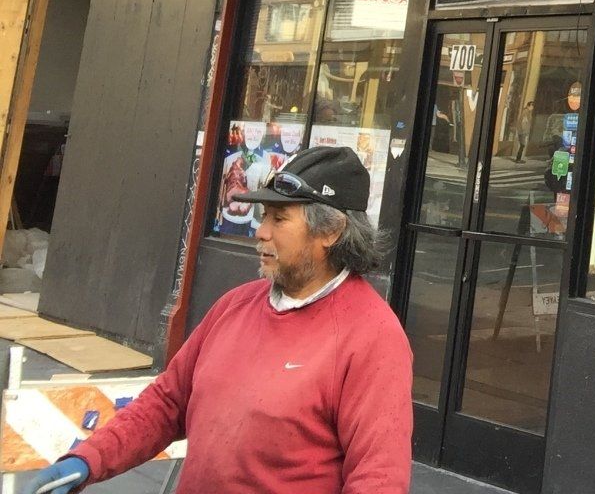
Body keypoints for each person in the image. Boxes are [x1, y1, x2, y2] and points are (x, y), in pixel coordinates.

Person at [20, 145, 412, 494]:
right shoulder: (235, 305)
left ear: (332, 231)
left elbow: (378, 478)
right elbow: (167, 402)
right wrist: (88, 460)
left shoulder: (372, 336)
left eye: (279, 219)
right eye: (263, 216)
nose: (260, 232)